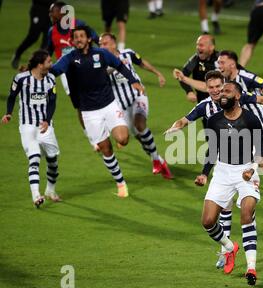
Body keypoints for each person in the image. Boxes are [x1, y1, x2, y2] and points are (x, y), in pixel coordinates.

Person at [168, 70, 263, 269]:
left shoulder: (235, 96)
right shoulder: (205, 106)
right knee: (224, 210)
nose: (214, 91)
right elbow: (187, 119)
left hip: (244, 154)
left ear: (225, 86)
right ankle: (227, 250)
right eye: (210, 88)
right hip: (221, 159)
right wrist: (177, 126)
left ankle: (233, 254)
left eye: (218, 88)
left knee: (236, 204)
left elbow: (262, 99)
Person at [175, 50, 263, 205]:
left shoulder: (246, 77)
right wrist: (185, 79)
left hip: (261, 123)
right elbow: (207, 88)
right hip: (243, 127)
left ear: (232, 63)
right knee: (255, 161)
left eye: (222, 62)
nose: (219, 65)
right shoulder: (222, 80)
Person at [50, 26, 144, 197]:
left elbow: (119, 65)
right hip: (89, 112)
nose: (78, 39)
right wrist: (37, 71)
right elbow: (55, 70)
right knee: (106, 149)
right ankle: (120, 182)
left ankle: (113, 133)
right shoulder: (69, 58)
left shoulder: (101, 53)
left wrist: (133, 81)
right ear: (72, 41)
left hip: (109, 105)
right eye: (75, 37)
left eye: (81, 36)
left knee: (123, 139)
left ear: (88, 39)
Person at [201, 81, 263, 285]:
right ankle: (230, 247)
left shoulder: (251, 119)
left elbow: (261, 154)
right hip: (222, 172)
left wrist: (251, 169)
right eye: (220, 92)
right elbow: (212, 151)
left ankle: (251, 268)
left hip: (246, 170)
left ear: (238, 96)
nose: (221, 94)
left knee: (246, 214)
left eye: (226, 91)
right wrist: (204, 173)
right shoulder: (213, 120)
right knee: (208, 221)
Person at [99, 32, 173, 179]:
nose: (102, 46)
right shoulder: (100, 62)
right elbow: (102, 74)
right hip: (121, 105)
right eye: (100, 44)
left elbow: (142, 62)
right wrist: (117, 66)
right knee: (133, 138)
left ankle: (156, 161)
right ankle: (158, 159)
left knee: (140, 124)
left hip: (138, 96)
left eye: (105, 43)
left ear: (113, 43)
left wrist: (157, 73)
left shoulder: (128, 53)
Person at [2, 49, 60, 208]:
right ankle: (36, 195)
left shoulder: (51, 79)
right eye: (49, 61)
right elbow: (12, 96)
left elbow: (53, 101)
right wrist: (8, 113)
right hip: (27, 125)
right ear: (40, 65)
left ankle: (50, 190)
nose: (51, 64)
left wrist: (47, 120)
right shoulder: (21, 79)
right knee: (34, 159)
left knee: (53, 161)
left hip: (45, 125)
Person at [47, 1, 99, 138]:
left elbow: (96, 39)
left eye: (52, 11)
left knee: (97, 95)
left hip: (87, 65)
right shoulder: (52, 32)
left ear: (61, 13)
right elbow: (47, 52)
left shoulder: (79, 24)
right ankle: (91, 137)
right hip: (67, 73)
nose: (50, 14)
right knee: (80, 105)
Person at [179, 34, 219, 105]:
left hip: (220, 101)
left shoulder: (220, 61)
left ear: (211, 47)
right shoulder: (196, 59)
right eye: (197, 45)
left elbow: (211, 85)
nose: (198, 47)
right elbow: (182, 75)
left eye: (201, 45)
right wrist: (189, 91)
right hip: (203, 101)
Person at [11, 0, 53, 69]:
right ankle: (17, 54)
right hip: (38, 9)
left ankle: (40, 62)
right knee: (33, 36)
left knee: (47, 38)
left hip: (51, 12)